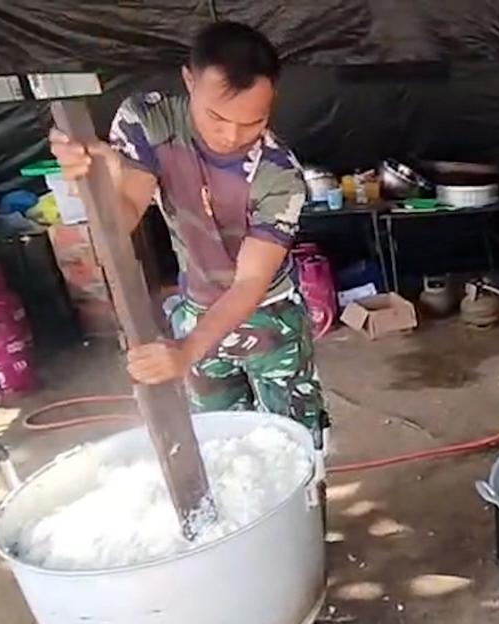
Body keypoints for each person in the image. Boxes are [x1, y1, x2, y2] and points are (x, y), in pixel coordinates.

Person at [49, 21, 326, 436]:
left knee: (296, 440)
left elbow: (249, 283)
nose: (232, 135)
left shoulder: (279, 174)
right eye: (217, 116)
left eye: (254, 121)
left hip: (271, 315)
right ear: (188, 79)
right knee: (220, 439)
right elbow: (121, 219)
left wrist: (186, 350)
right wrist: (96, 187)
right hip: (194, 307)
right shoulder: (149, 121)